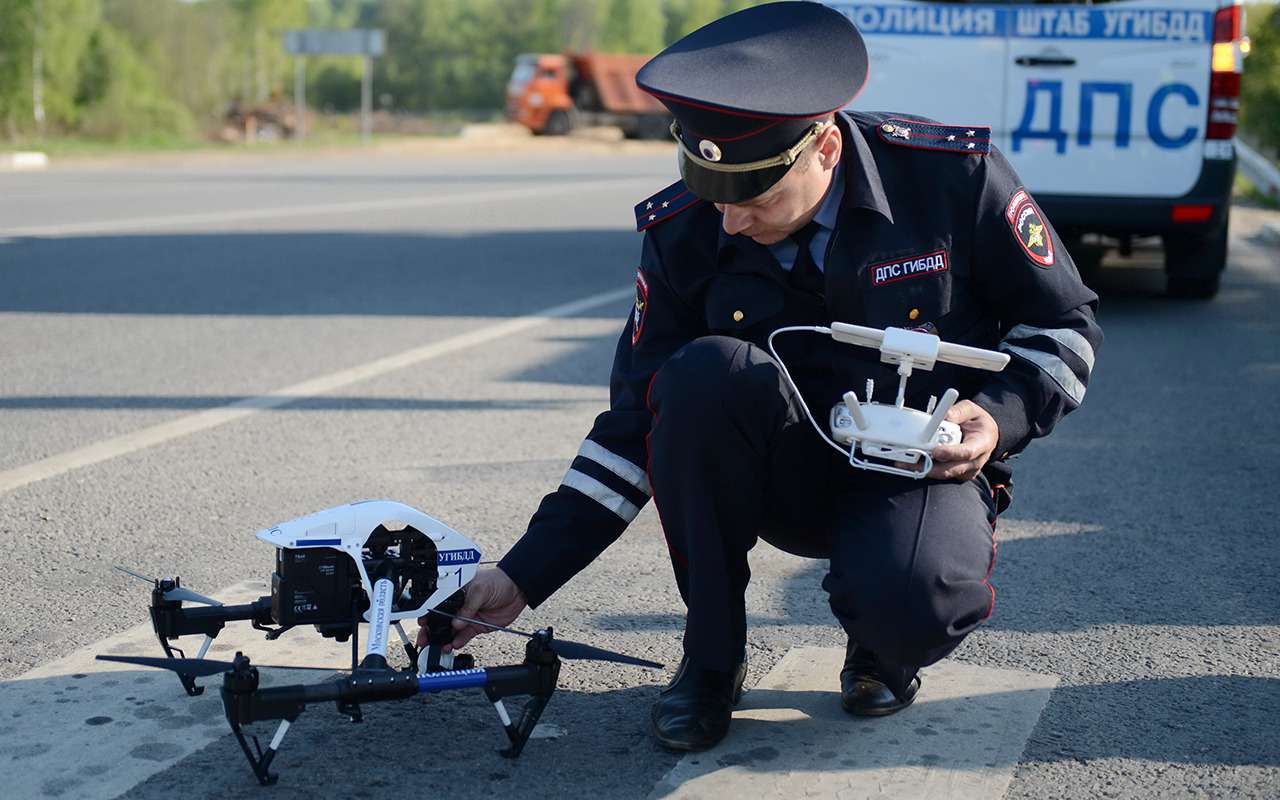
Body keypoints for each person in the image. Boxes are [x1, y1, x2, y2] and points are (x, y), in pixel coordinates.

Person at [418, 1, 1102, 752]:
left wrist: (997, 418)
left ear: (827, 149)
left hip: (916, 469)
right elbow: (632, 430)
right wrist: (519, 579)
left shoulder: (949, 180)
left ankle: (880, 646)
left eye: (759, 198)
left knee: (911, 607)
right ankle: (711, 660)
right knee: (701, 376)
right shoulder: (688, 226)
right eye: (717, 197)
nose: (732, 221)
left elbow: (1063, 329)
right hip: (779, 477)